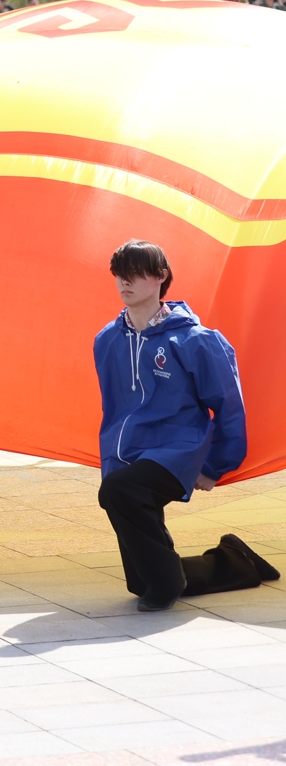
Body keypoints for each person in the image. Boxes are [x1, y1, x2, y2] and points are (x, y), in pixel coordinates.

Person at [95, 240, 280, 611]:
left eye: (135, 272)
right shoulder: (107, 340)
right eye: (119, 273)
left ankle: (166, 585)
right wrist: (111, 460)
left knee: (118, 493)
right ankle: (233, 560)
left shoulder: (196, 340)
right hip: (127, 455)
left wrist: (213, 465)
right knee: (142, 580)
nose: (124, 281)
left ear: (161, 276)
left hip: (177, 452)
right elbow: (114, 408)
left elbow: (228, 406)